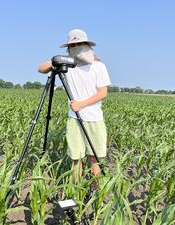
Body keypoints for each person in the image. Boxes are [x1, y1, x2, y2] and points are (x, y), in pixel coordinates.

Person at [38, 29, 111, 191]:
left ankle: (94, 191)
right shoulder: (67, 66)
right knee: (76, 159)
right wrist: (55, 62)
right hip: (74, 119)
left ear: (86, 45)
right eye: (73, 45)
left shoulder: (98, 66)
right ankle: (77, 190)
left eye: (79, 44)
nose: (76, 47)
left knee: (95, 158)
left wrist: (81, 104)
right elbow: (40, 69)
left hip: (94, 118)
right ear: (68, 48)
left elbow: (103, 93)